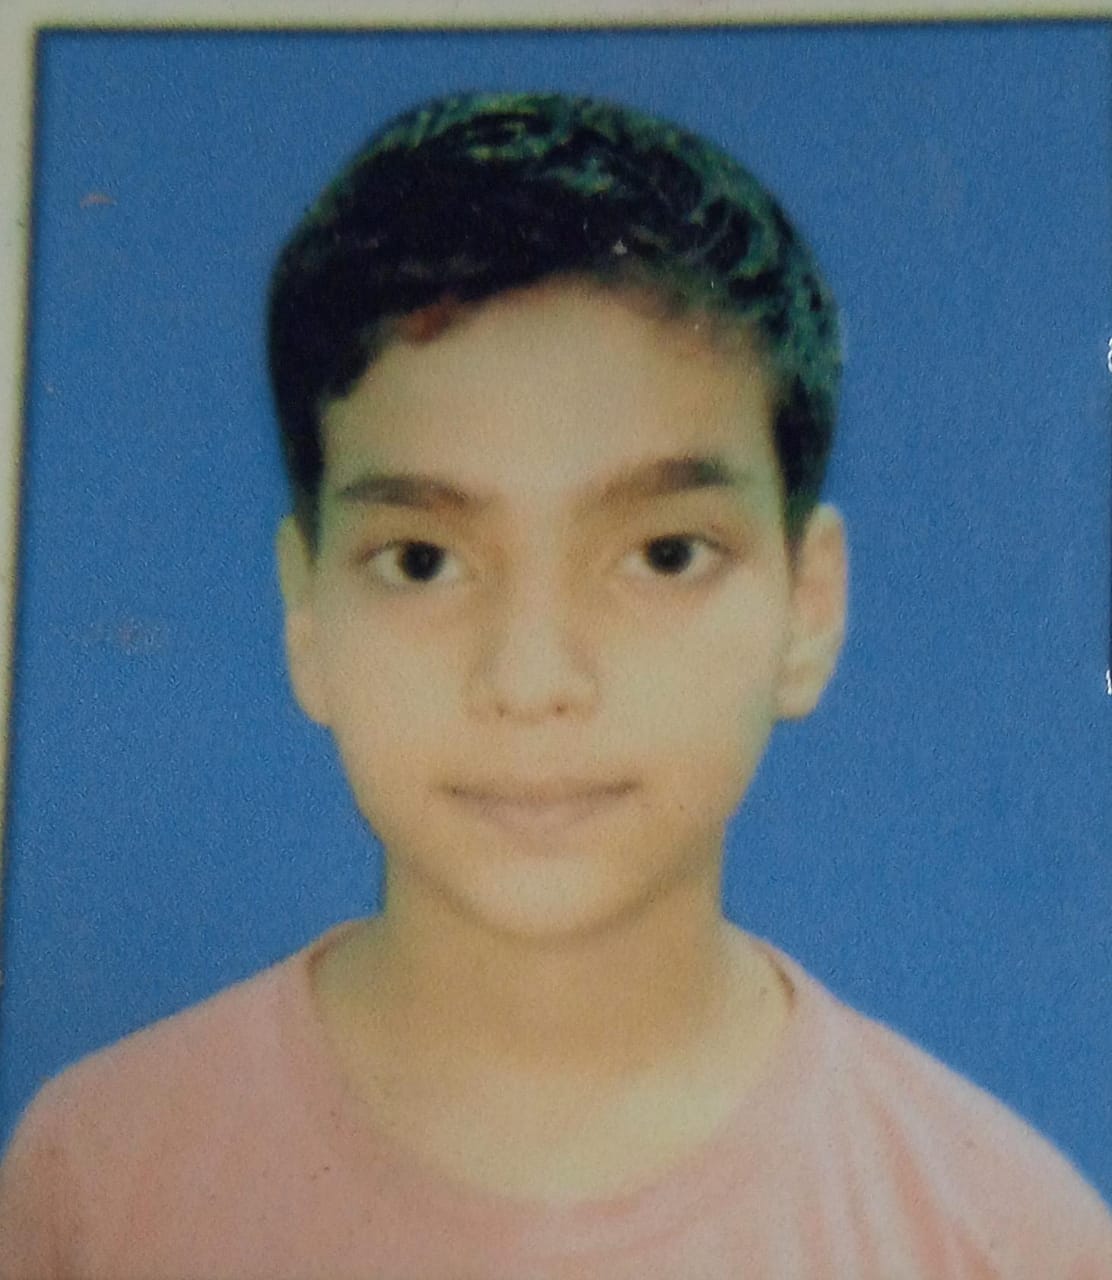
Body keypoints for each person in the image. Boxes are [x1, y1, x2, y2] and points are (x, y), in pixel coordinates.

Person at [1, 90, 1109, 1279]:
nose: (531, 680)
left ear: (808, 605)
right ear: (306, 613)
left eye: (664, 554)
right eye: (421, 560)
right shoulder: (97, 1180)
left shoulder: (1003, 1236)